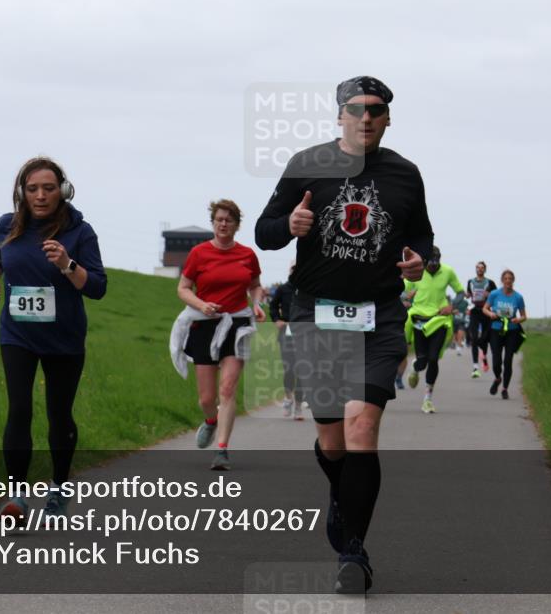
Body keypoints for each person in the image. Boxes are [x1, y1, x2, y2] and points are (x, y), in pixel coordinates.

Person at [255, 76, 432, 594]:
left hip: (378, 318)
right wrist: (291, 223)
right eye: (356, 109)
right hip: (315, 315)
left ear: (388, 117)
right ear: (340, 115)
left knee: (361, 431)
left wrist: (422, 260)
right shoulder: (306, 165)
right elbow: (264, 233)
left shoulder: (405, 174)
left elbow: (421, 233)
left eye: (376, 110)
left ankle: (352, 550)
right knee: (332, 442)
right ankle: (342, 496)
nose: (366, 118)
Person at [0, 156, 107, 523]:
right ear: (21, 192)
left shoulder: (79, 232)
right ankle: (16, 496)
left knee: (58, 415)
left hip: (64, 339)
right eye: (33, 188)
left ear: (63, 191)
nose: (40, 196)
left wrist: (68, 264)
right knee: (19, 408)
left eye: (49, 188)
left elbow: (98, 288)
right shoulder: (7, 225)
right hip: (17, 333)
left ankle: (58, 487)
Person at [171, 200, 265, 470]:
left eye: (229, 220)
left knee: (227, 389)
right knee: (206, 398)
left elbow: (256, 286)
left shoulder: (247, 255)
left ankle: (222, 450)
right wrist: (201, 305)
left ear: (236, 225)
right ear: (213, 223)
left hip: (237, 324)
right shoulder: (199, 253)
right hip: (204, 324)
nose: (223, 224)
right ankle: (211, 421)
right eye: (219, 219)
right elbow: (183, 288)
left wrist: (256, 304)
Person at [404, 247, 465, 413]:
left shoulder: (447, 272)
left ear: (439, 260)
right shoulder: (416, 271)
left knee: (433, 359)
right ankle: (415, 368)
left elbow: (460, 293)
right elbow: (403, 292)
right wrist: (405, 299)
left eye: (435, 264)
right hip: (418, 320)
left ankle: (428, 399)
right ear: (423, 261)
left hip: (439, 320)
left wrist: (451, 306)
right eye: (428, 264)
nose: (431, 267)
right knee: (422, 360)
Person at [482, 269, 527, 399]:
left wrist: (518, 319)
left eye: (510, 279)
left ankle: (505, 389)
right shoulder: (494, 294)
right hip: (496, 329)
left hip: (512, 331)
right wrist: (491, 314)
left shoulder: (518, 297)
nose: (508, 281)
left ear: (513, 281)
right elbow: (485, 308)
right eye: (506, 279)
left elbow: (524, 316)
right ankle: (497, 378)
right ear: (502, 280)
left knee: (508, 360)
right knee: (496, 361)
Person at [269, 264, 303, 420]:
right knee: (289, 369)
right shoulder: (283, 289)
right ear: (290, 272)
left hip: (305, 333)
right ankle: (288, 398)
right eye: (293, 270)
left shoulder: (309, 289)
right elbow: (273, 306)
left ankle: (298, 406)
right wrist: (277, 320)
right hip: (287, 331)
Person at [467, 262, 496, 379]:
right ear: (475, 269)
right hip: (474, 310)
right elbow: (469, 294)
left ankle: (483, 356)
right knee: (474, 338)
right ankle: (475, 367)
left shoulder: (490, 283)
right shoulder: (470, 282)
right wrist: (467, 295)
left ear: (485, 270)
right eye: (478, 268)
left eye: (482, 268)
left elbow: (496, 296)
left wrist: (489, 294)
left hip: (486, 311)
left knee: (484, 339)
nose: (479, 270)